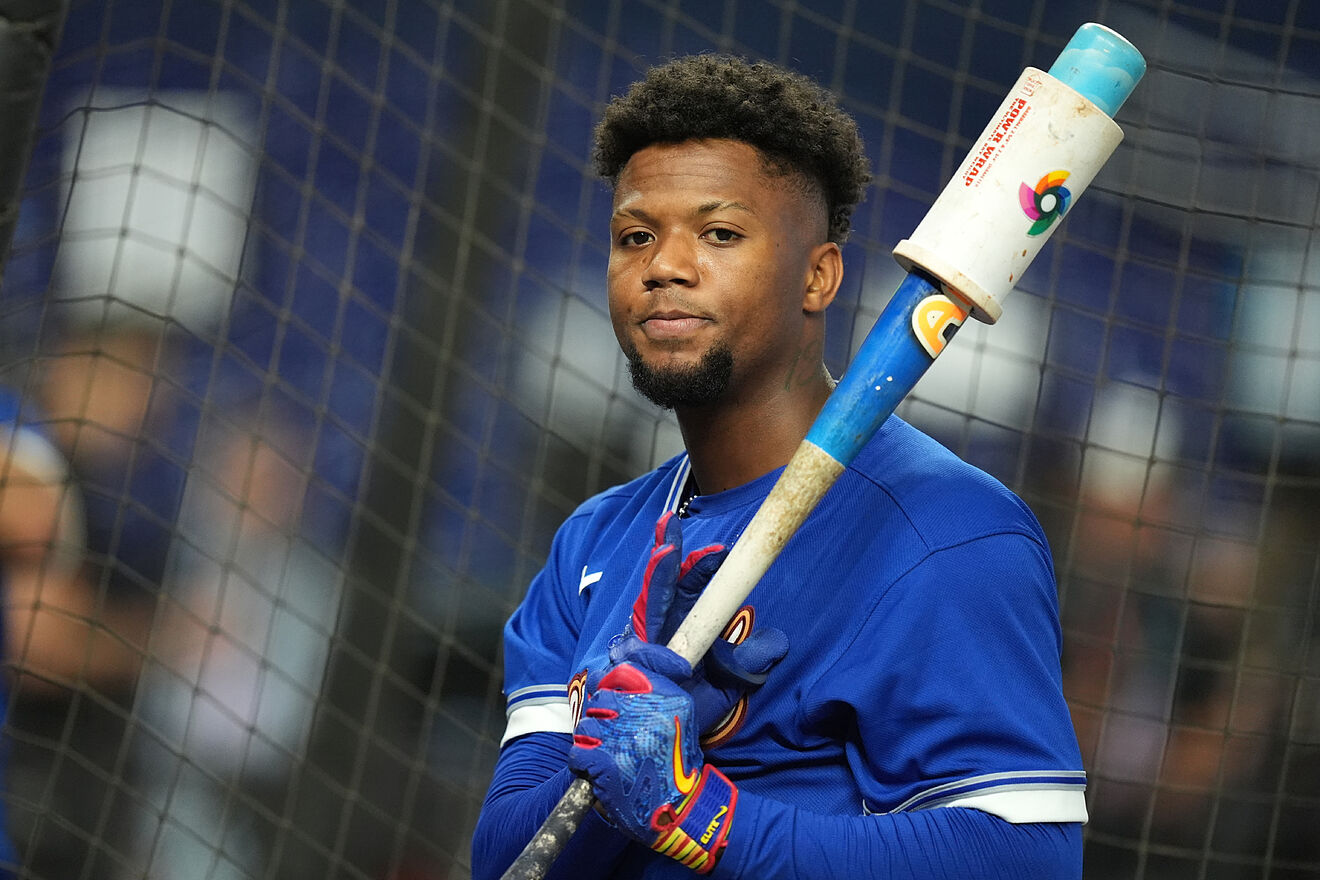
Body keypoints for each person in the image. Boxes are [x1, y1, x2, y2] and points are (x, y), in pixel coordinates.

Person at [471, 54, 1086, 878]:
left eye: (720, 233)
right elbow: (508, 859)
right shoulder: (595, 543)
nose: (666, 266)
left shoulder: (947, 534)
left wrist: (698, 813)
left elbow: (1025, 860)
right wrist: (606, 729)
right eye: (635, 236)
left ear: (819, 276)